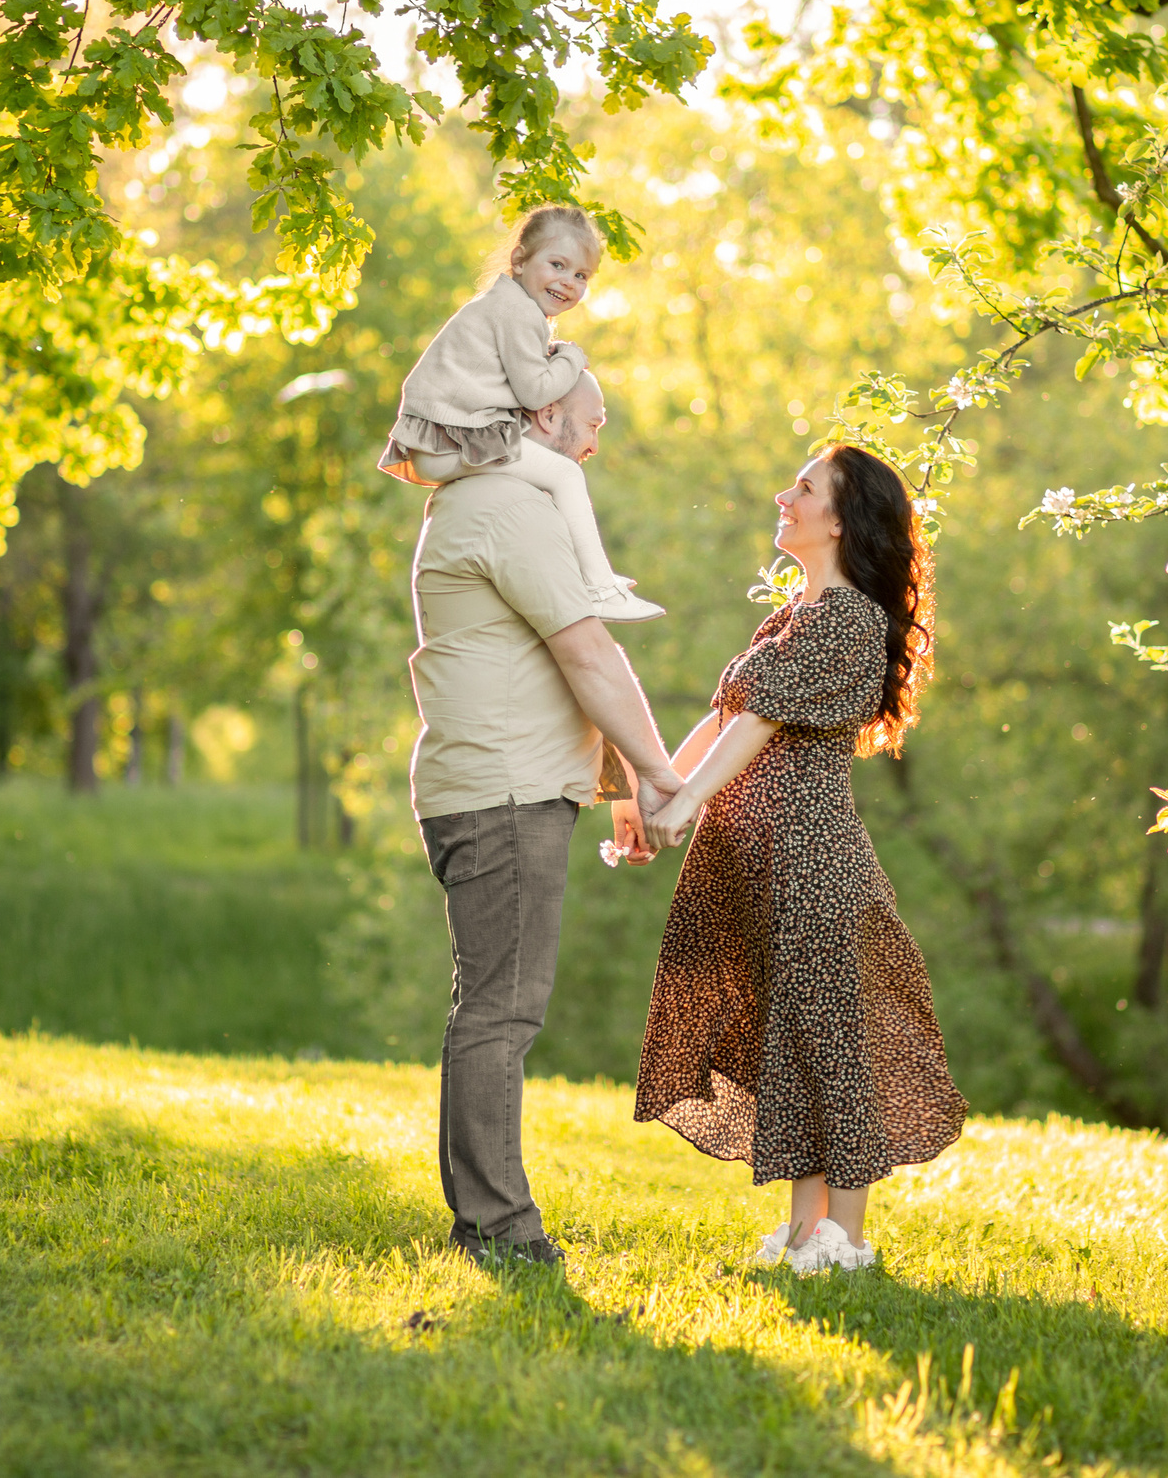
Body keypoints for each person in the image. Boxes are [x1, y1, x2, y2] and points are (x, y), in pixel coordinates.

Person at [635, 444, 966, 1275]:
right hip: (759, 860)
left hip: (810, 857)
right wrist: (653, 795)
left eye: (805, 488)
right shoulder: (791, 616)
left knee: (831, 1039)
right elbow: (725, 716)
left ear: (841, 519)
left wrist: (682, 804)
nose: (784, 495)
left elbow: (760, 725)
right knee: (792, 1040)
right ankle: (801, 1229)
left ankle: (844, 1240)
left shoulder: (849, 618)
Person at [406, 371, 681, 1267]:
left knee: (491, 1006)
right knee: (502, 1011)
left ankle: (485, 1219)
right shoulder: (510, 508)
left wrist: (618, 786)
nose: (595, 443)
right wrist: (658, 772)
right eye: (591, 422)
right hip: (504, 794)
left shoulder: (486, 503)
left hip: (501, 784)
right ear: (541, 415)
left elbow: (545, 668)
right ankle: (496, 1228)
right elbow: (587, 652)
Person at [379, 205, 664, 623]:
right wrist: (571, 356)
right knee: (565, 474)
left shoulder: (506, 305)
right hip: (449, 437)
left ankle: (594, 580)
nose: (568, 281)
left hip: (444, 437)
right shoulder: (517, 312)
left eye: (581, 276)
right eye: (557, 265)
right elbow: (535, 392)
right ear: (519, 260)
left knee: (537, 477)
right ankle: (600, 590)